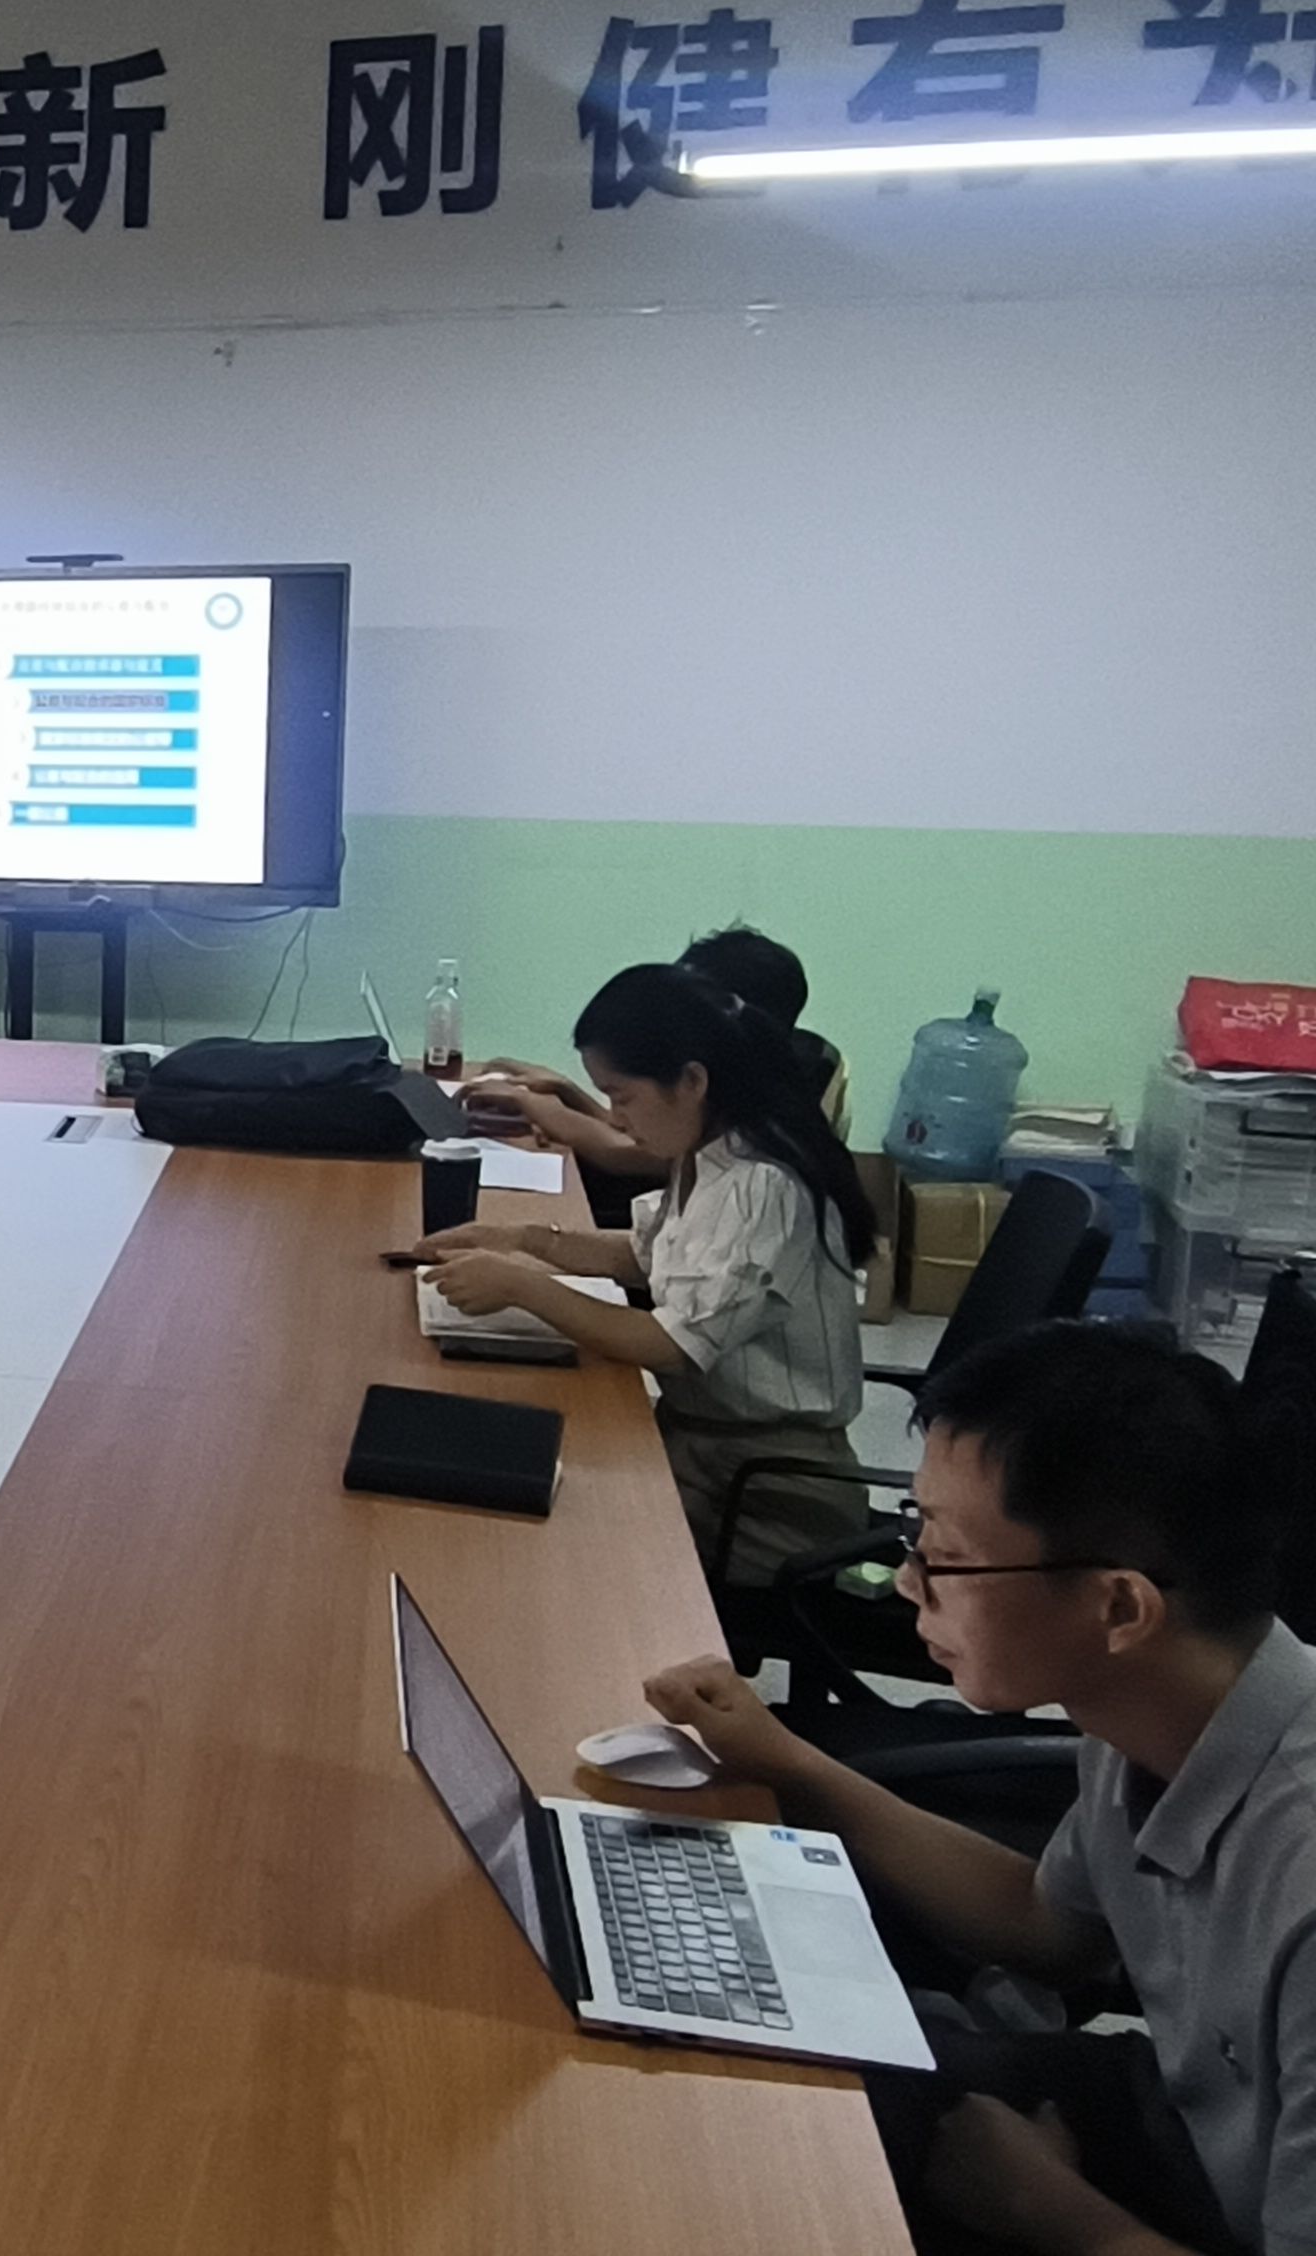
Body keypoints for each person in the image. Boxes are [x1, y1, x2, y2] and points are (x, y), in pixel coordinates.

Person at [646, 1323, 1310, 2256]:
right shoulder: (1146, 1710)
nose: (908, 1582)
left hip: (1215, 2209)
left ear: (1119, 1605)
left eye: (946, 1558)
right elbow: (1050, 1928)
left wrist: (1048, 2210)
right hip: (1180, 2121)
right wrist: (787, 1762)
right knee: (755, 2088)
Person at [417, 961, 874, 1581]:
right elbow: (645, 1254)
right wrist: (520, 1239)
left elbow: (670, 1346)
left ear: (692, 1081)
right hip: (704, 1444)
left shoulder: (762, 1185)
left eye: (622, 1096)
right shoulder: (709, 1150)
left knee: (550, 1547)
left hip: (768, 1493)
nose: (615, 1118)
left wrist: (522, 1285)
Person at [467, 924, 850, 1194]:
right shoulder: (746, 1084)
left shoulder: (745, 1138)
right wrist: (567, 1092)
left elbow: (624, 1152)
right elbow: (631, 1128)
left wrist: (534, 1105)